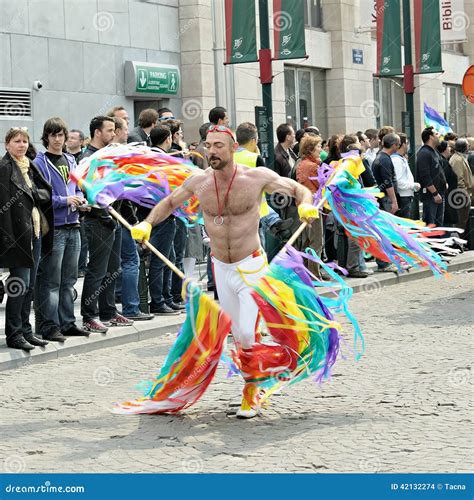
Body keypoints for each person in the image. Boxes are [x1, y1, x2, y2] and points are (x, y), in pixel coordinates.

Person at [130, 125, 316, 418]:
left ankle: (251, 393)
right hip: (220, 267)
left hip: (251, 266)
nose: (212, 151)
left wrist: (306, 205)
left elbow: (296, 188)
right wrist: (148, 224)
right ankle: (252, 384)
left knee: (245, 330)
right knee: (238, 335)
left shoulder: (256, 178)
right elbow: (168, 202)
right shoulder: (199, 182)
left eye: (218, 145)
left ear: (232, 148)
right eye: (208, 145)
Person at [34, 117, 90, 341]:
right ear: (46, 137)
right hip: (54, 227)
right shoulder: (40, 162)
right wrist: (64, 200)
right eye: (53, 135)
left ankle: (67, 322)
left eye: (61, 135)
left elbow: (76, 188)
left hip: (74, 225)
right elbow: (41, 197)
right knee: (51, 281)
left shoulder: (70, 159)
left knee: (69, 280)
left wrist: (79, 199)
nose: (57, 139)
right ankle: (49, 326)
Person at [0, 128, 54, 350]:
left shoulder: (29, 166)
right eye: (16, 141)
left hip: (35, 231)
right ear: (7, 145)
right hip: (16, 235)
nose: (21, 145)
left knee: (30, 286)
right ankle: (14, 334)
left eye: (24, 141)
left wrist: (37, 193)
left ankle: (26, 331)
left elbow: (43, 192)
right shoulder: (4, 168)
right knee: (19, 285)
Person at [81, 116, 133, 332]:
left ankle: (108, 312)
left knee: (113, 268)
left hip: (114, 220)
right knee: (97, 269)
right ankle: (89, 315)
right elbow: (89, 190)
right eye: (110, 130)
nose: (114, 134)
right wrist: (105, 217)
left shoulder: (107, 155)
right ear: (97, 132)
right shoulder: (88, 157)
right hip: (97, 221)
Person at [295, 134, 324, 278]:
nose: (321, 149)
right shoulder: (313, 166)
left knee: (307, 241)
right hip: (313, 208)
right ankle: (314, 274)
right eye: (318, 146)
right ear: (311, 149)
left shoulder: (302, 164)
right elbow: (321, 185)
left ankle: (306, 273)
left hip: (303, 207)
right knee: (316, 242)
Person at [372, 133, 400, 272]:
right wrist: (394, 201)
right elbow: (387, 182)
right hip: (384, 201)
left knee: (386, 231)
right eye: (398, 144)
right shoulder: (384, 160)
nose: (399, 146)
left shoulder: (382, 157)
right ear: (394, 145)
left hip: (383, 199)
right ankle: (383, 262)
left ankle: (387, 259)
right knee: (385, 231)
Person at [416, 126, 446, 227]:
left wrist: (444, 183)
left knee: (438, 226)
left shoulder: (434, 152)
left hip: (439, 194)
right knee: (431, 225)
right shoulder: (424, 153)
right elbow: (425, 176)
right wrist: (434, 193)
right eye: (436, 134)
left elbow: (439, 170)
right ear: (431, 137)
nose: (439, 136)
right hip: (431, 196)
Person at [391, 133, 420, 219]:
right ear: (403, 144)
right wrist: (413, 185)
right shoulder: (396, 160)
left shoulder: (401, 159)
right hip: (403, 197)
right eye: (407, 143)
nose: (408, 145)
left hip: (406, 196)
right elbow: (398, 182)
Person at [449, 138, 473, 234]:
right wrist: (465, 193)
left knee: (463, 221)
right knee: (460, 221)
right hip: (460, 194)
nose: (469, 147)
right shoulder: (457, 160)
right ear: (464, 147)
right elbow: (459, 179)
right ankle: (458, 243)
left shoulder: (460, 158)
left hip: (462, 194)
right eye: (468, 146)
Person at [437, 141, 458, 227]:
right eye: (448, 147)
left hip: (450, 195)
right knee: (447, 221)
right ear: (444, 149)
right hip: (447, 195)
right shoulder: (443, 162)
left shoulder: (444, 161)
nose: (450, 149)